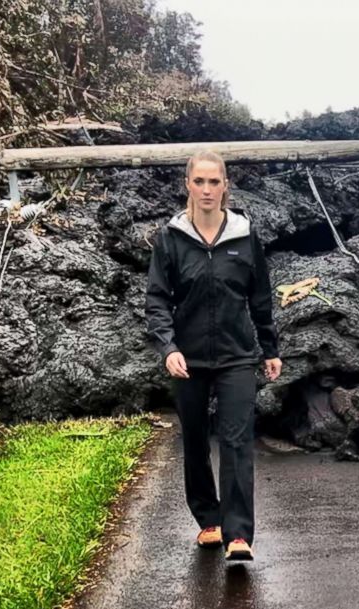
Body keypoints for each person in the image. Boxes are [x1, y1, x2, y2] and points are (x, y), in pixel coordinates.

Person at [145, 150, 282, 562]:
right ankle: (209, 520)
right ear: (188, 184)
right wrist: (168, 348)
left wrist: (269, 349)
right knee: (195, 439)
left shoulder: (244, 236)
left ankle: (239, 535)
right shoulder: (170, 239)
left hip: (237, 355)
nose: (207, 190)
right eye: (199, 181)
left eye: (214, 182)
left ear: (226, 186)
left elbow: (259, 297)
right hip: (187, 359)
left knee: (237, 440)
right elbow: (157, 300)